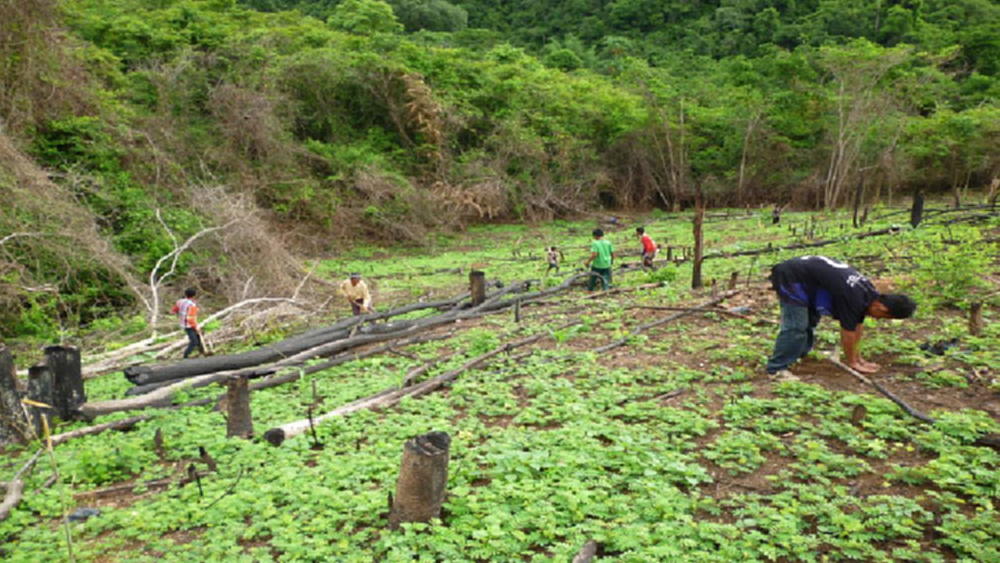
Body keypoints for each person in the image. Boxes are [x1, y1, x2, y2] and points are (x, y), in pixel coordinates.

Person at [765, 256, 916, 380]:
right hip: (791, 276)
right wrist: (852, 362)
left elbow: (857, 326)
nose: (878, 319)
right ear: (881, 308)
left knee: (810, 320)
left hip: (809, 279)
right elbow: (848, 332)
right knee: (796, 326)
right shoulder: (854, 299)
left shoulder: (868, 293)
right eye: (883, 317)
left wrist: (859, 359)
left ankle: (798, 353)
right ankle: (777, 369)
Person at [170, 287, 202, 359]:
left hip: (183, 324)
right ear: (194, 296)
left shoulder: (180, 302)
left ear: (185, 294)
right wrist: (196, 327)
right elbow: (191, 318)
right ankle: (185, 356)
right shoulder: (192, 305)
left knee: (198, 338)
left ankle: (202, 352)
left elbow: (173, 311)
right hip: (189, 325)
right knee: (194, 341)